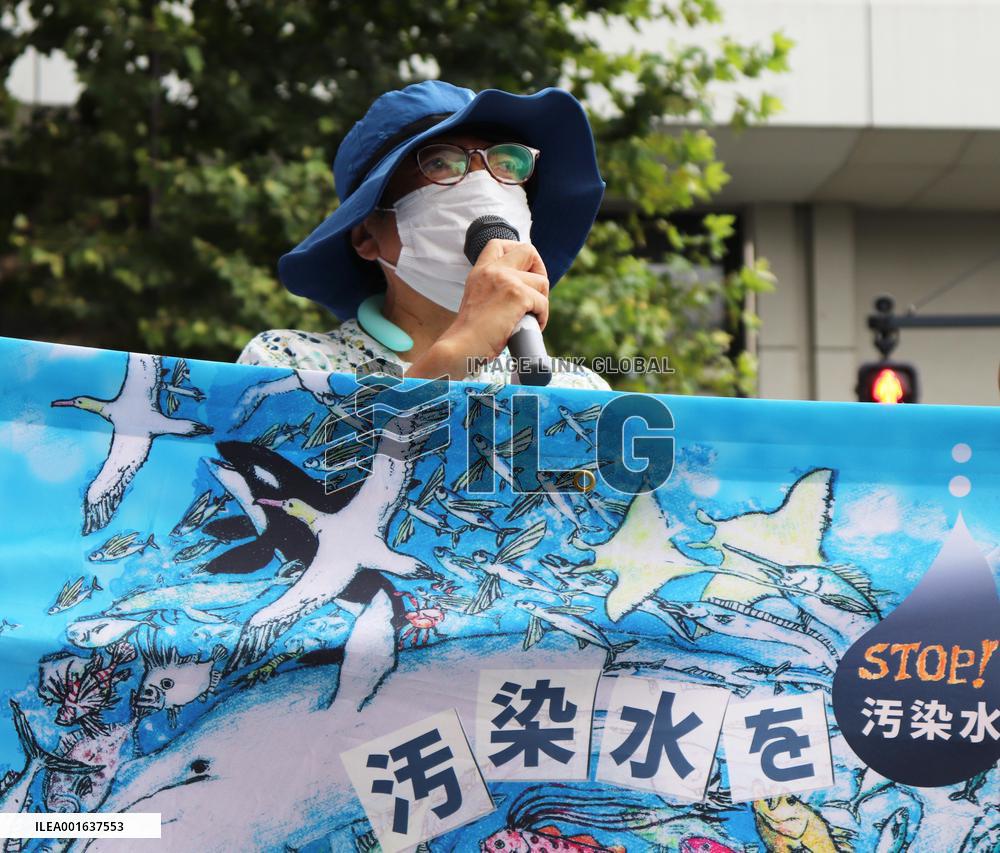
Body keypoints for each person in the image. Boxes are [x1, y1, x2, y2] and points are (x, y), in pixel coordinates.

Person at [238, 80, 610, 391]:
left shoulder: (577, 390)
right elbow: (301, 475)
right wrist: (453, 357)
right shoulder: (288, 365)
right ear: (367, 236)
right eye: (439, 164)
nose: (485, 186)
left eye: (506, 164)